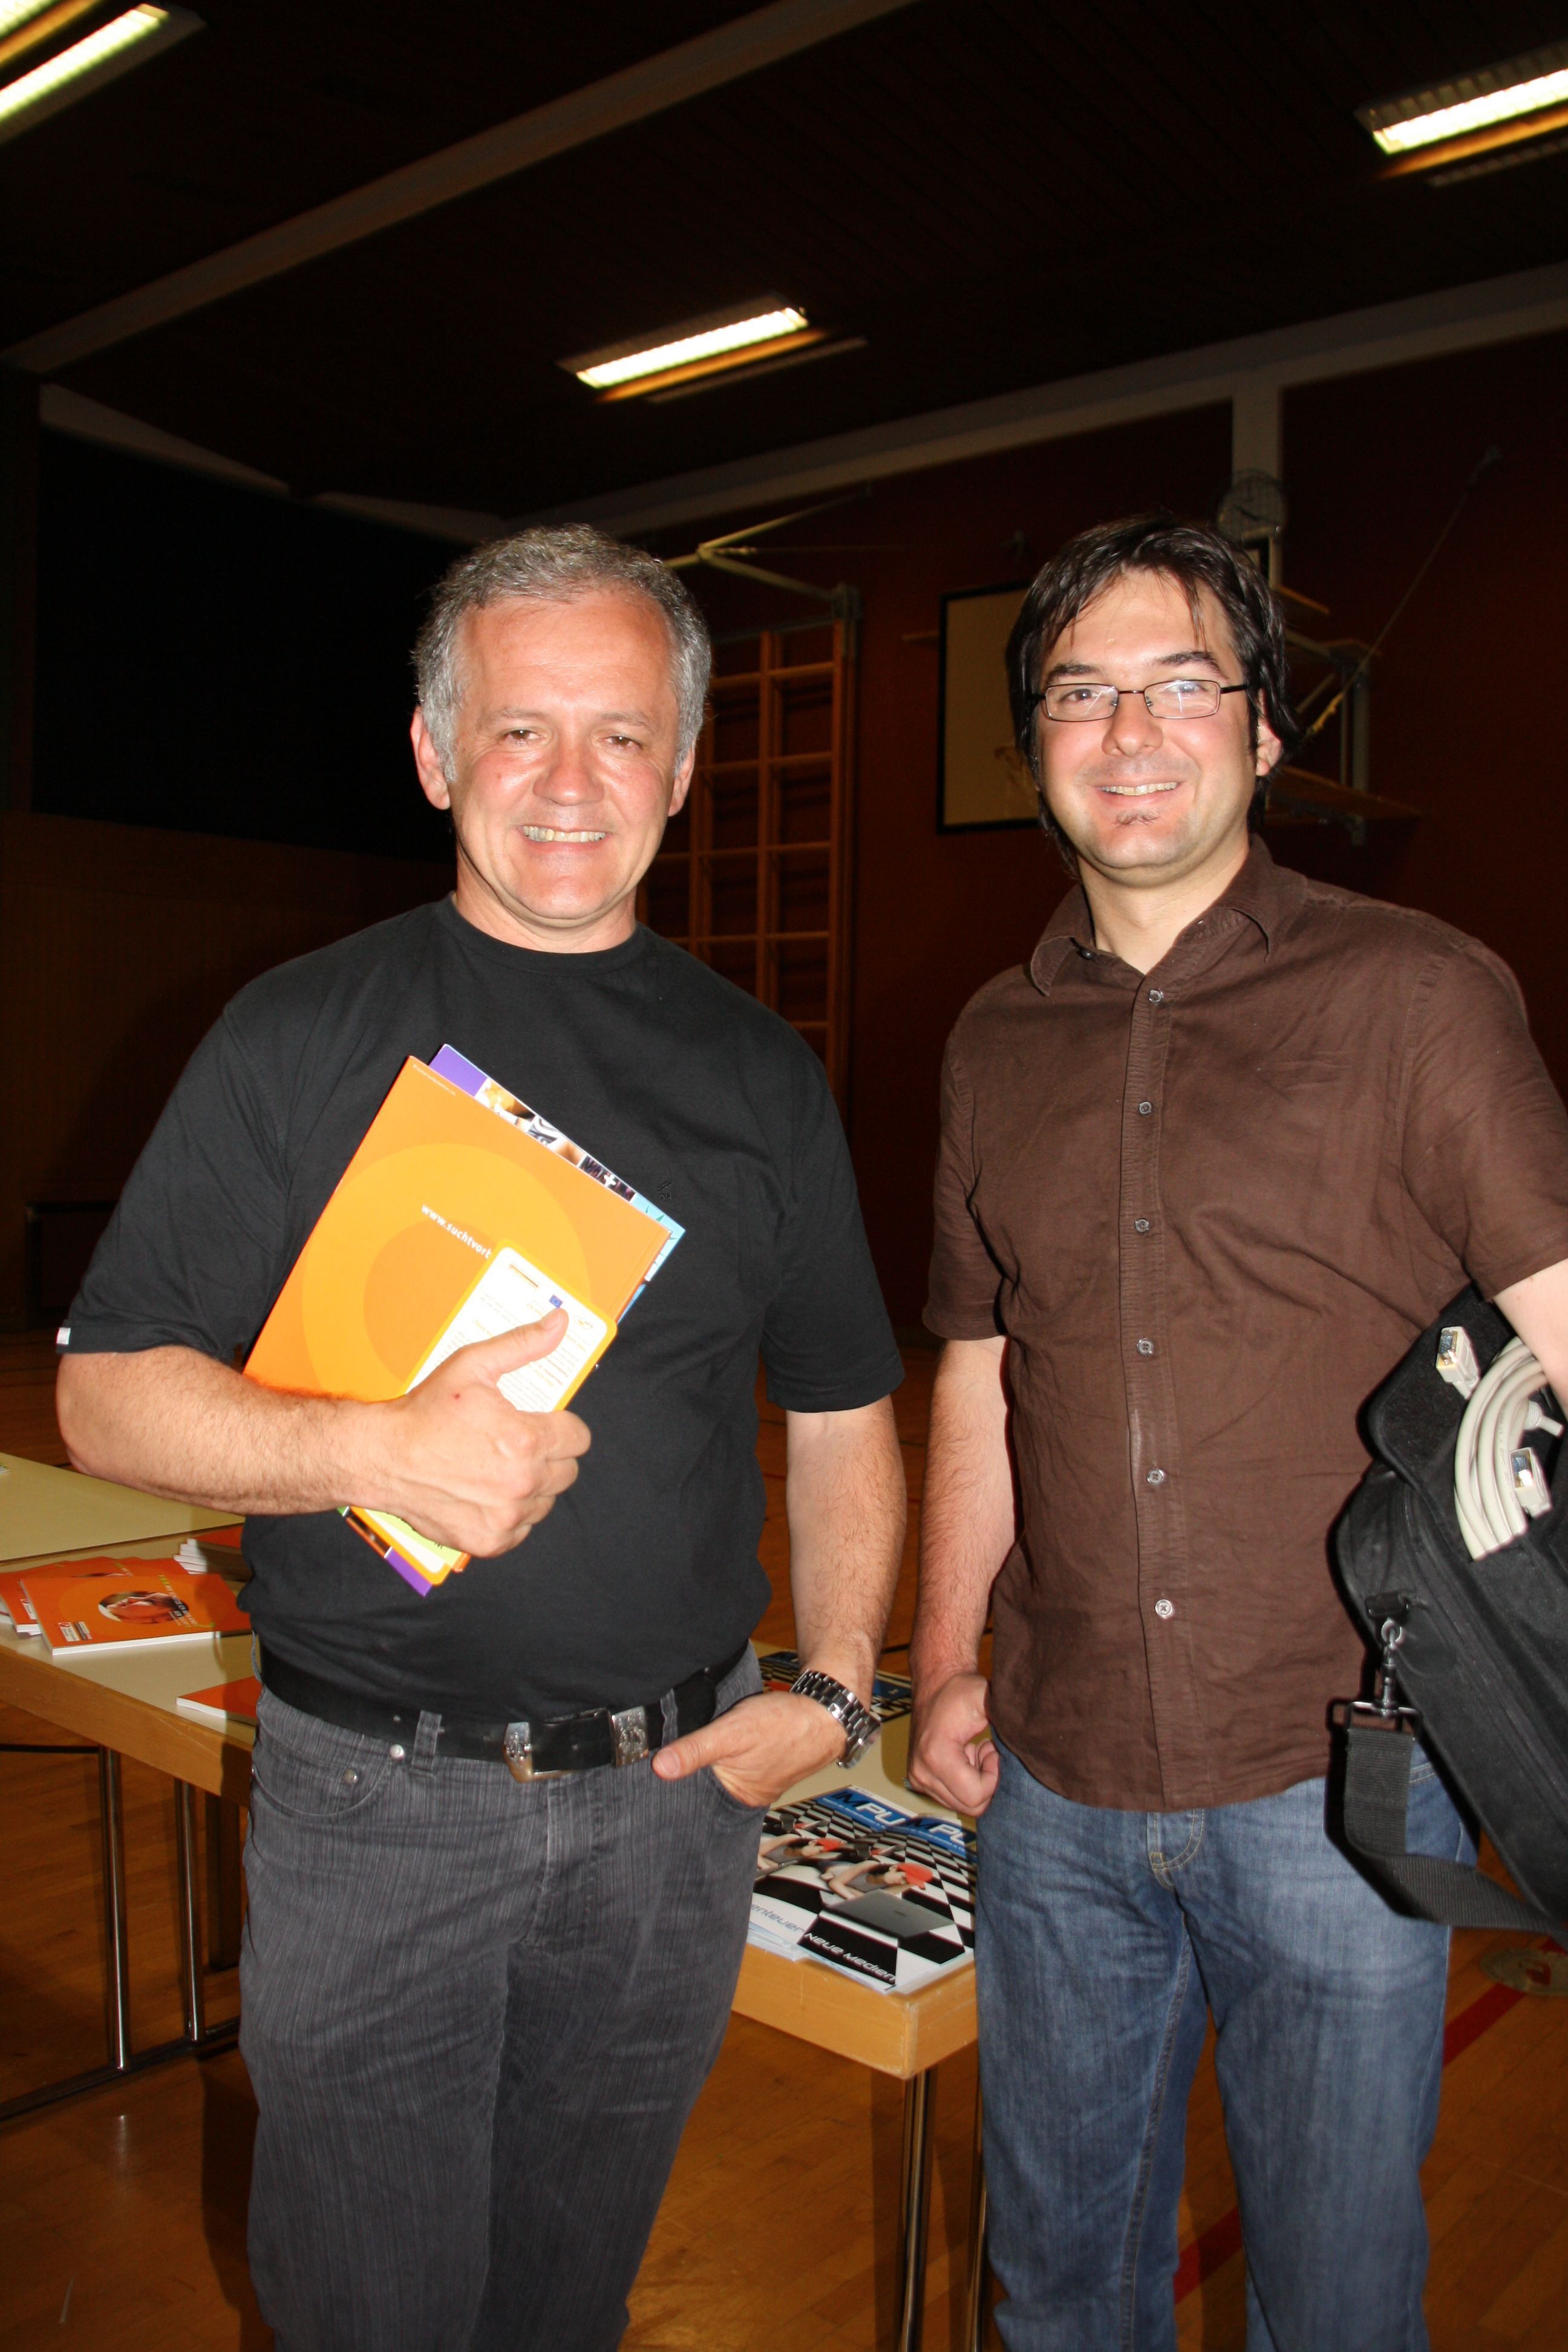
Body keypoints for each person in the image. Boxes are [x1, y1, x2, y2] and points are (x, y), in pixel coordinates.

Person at [57, 525, 907, 2352]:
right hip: (380, 1809)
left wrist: (839, 1689)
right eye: (521, 730)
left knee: (568, 2310)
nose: (571, 782)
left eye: (622, 734)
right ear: (438, 755)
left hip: (674, 1815)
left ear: (682, 768)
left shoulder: (761, 1075)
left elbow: (846, 1406)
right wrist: (370, 1453)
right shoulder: (296, 1035)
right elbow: (105, 1389)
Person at [907, 514, 1568, 2351]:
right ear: (1034, 746)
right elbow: (978, 1369)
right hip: (1052, 1784)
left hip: (1341, 1780)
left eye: (1183, 685)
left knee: (1336, 2309)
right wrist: (946, 1655)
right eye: (1082, 694)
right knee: (1058, 2296)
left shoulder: (1416, 996)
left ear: (1267, 731)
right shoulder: (990, 1042)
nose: (1131, 733)